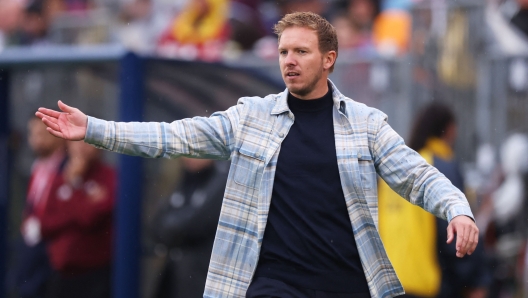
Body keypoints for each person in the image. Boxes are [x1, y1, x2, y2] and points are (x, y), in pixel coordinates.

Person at [36, 12, 479, 298]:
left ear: (329, 59)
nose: (289, 60)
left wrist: (458, 210)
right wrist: (94, 130)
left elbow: (417, 176)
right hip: (270, 285)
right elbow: (174, 137)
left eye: (301, 52)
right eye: (284, 51)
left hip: (347, 282)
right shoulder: (251, 117)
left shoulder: (364, 124)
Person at [378, 102, 490, 298]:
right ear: (450, 130)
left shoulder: (391, 173)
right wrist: (473, 281)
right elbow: (455, 233)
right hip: (427, 287)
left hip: (387, 286)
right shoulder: (439, 167)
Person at [30, 140, 116, 298]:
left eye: (89, 142)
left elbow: (89, 218)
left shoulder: (109, 177)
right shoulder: (59, 178)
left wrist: (73, 186)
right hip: (59, 275)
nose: (81, 147)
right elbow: (45, 224)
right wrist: (82, 203)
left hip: (94, 275)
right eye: (76, 142)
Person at [151, 158, 228, 298]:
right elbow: (156, 226)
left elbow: (194, 224)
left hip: (203, 280)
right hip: (174, 280)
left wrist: (174, 227)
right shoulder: (180, 178)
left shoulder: (222, 179)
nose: (193, 154)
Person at [11, 116, 66, 298]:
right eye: (32, 134)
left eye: (42, 134)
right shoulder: (37, 166)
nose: (35, 140)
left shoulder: (69, 168)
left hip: (55, 258)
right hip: (31, 252)